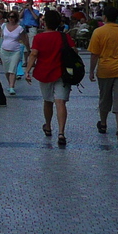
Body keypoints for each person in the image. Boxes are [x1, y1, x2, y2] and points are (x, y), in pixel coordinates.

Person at [25, 10, 74, 146]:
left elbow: (34, 54)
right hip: (63, 74)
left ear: (45, 22)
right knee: (61, 102)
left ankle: (47, 125)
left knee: (47, 101)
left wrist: (27, 71)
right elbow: (74, 52)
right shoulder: (64, 37)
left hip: (45, 73)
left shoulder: (39, 38)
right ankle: (61, 133)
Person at [88, 5, 118, 141]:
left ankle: (103, 123)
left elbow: (94, 54)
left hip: (105, 69)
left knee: (105, 97)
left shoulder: (98, 32)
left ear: (105, 17)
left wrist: (91, 71)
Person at [0, 11, 29, 96]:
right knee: (6, 70)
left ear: (16, 18)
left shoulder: (20, 28)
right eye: (9, 17)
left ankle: (12, 86)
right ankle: (10, 84)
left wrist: (28, 49)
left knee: (13, 69)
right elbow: (0, 37)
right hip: (4, 50)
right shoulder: (4, 26)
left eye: (13, 17)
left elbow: (24, 39)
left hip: (15, 51)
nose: (11, 19)